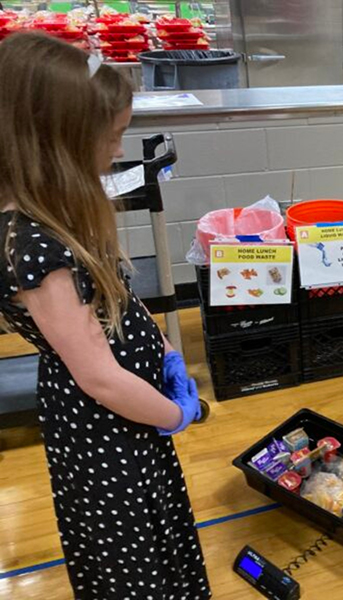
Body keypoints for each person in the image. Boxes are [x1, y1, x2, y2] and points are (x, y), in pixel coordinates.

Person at [0, 34, 210, 599]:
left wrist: (164, 351)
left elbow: (113, 292)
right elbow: (96, 375)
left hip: (130, 414)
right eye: (112, 137)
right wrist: (173, 415)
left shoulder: (58, 209)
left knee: (159, 526)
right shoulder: (34, 248)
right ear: (58, 142)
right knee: (129, 550)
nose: (117, 149)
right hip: (104, 434)